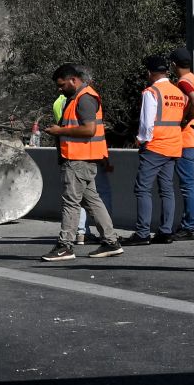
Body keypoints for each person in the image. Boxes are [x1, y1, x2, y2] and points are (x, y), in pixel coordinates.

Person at [40, 64, 123, 261]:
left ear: (73, 80)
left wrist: (59, 131)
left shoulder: (84, 98)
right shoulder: (79, 97)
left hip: (78, 159)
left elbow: (89, 130)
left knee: (71, 202)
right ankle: (111, 242)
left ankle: (65, 246)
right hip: (82, 159)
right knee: (92, 201)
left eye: (62, 85)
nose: (59, 89)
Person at [127, 54, 186, 245]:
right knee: (167, 189)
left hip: (155, 146)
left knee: (142, 188)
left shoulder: (151, 92)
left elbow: (147, 123)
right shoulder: (178, 92)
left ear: (149, 73)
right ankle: (165, 231)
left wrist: (141, 140)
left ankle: (143, 233)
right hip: (174, 145)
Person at [170, 47, 194, 240]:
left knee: (187, 185)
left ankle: (189, 226)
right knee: (190, 184)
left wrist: (185, 119)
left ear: (173, 65)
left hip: (187, 138)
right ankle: (188, 224)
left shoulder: (184, 82)